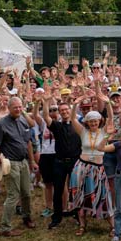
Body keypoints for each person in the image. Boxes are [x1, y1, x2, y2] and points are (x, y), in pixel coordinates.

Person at [0, 96, 38, 237]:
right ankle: (5, 227)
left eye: (20, 107)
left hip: (23, 162)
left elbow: (28, 142)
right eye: (15, 107)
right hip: (10, 163)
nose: (18, 109)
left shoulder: (23, 121)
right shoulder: (1, 124)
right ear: (9, 108)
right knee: (13, 195)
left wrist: (32, 161)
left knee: (27, 193)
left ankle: (26, 217)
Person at [69, 109, 114, 236]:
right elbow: (72, 119)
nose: (93, 123)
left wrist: (108, 104)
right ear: (87, 122)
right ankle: (82, 225)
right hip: (81, 167)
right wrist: (76, 104)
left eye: (95, 121)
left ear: (99, 121)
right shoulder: (83, 132)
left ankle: (112, 226)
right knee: (80, 195)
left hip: (97, 169)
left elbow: (110, 118)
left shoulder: (104, 131)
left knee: (102, 196)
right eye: (90, 121)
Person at [44, 97, 80, 230]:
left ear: (70, 111)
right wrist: (45, 101)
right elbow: (46, 117)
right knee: (58, 190)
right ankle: (57, 217)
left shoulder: (77, 126)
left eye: (66, 109)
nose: (64, 112)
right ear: (59, 113)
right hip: (59, 162)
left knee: (75, 190)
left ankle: (77, 215)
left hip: (75, 162)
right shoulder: (57, 126)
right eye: (61, 110)